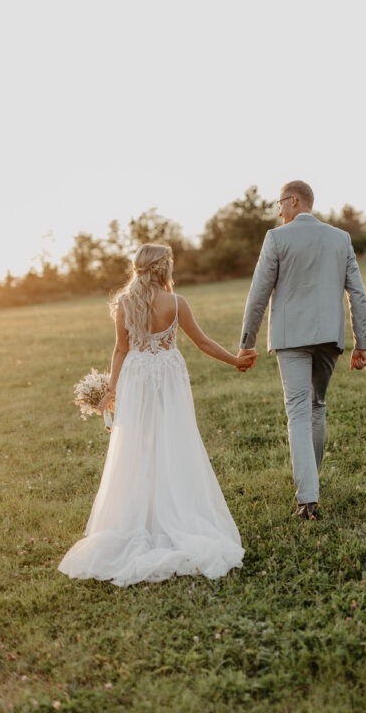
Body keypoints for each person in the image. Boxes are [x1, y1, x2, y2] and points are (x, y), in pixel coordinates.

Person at [59, 243, 255, 586]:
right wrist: (235, 360)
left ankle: (142, 512)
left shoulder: (125, 303)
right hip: (167, 376)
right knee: (174, 439)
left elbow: (121, 350)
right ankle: (173, 508)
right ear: (162, 268)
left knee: (137, 445)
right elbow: (203, 343)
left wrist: (112, 390)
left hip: (136, 377)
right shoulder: (176, 303)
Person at [238, 180, 366, 520]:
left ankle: (307, 499)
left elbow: (258, 293)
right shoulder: (340, 238)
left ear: (293, 200)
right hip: (329, 337)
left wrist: (246, 344)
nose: (278, 210)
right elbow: (357, 293)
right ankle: (310, 485)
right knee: (317, 407)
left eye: (280, 203)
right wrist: (362, 342)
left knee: (298, 411)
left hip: (290, 338)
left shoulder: (277, 238)